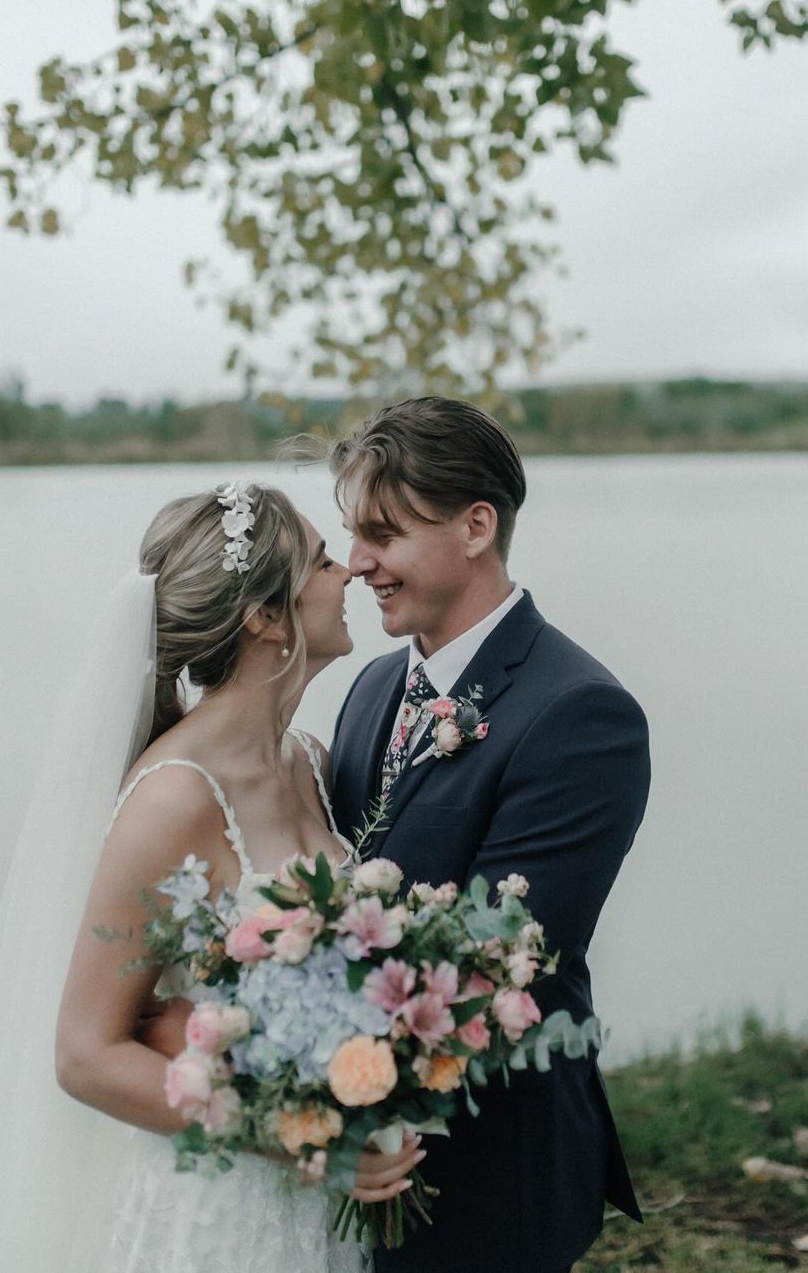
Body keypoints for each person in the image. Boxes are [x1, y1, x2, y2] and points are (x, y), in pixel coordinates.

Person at [0, 483, 421, 1273]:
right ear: (265, 616)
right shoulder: (176, 796)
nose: (349, 575)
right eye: (324, 561)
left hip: (315, 1210)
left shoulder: (311, 762)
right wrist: (297, 1140)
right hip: (215, 1207)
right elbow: (86, 1055)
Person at [329, 398, 651, 1273]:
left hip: (491, 1164)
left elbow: (503, 965)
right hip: (355, 1154)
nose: (358, 565)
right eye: (353, 536)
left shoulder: (580, 714)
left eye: (383, 534)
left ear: (477, 526)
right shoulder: (368, 691)